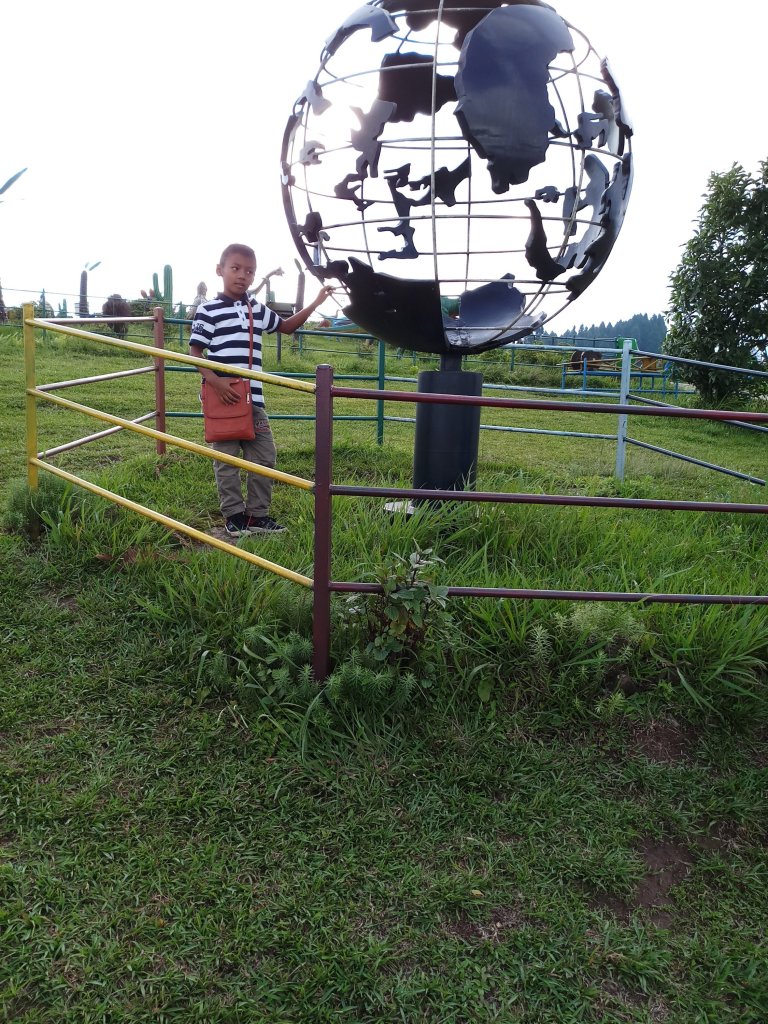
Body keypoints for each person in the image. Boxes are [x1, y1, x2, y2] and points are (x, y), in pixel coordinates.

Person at [189, 243, 333, 538]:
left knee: (265, 455)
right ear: (220, 270)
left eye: (249, 271)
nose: (242, 275)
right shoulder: (208, 310)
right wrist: (215, 381)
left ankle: (257, 516)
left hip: (253, 398)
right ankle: (234, 516)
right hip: (224, 397)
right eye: (235, 268)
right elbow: (194, 353)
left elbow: (286, 327)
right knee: (227, 459)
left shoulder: (255, 308)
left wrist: (315, 303)